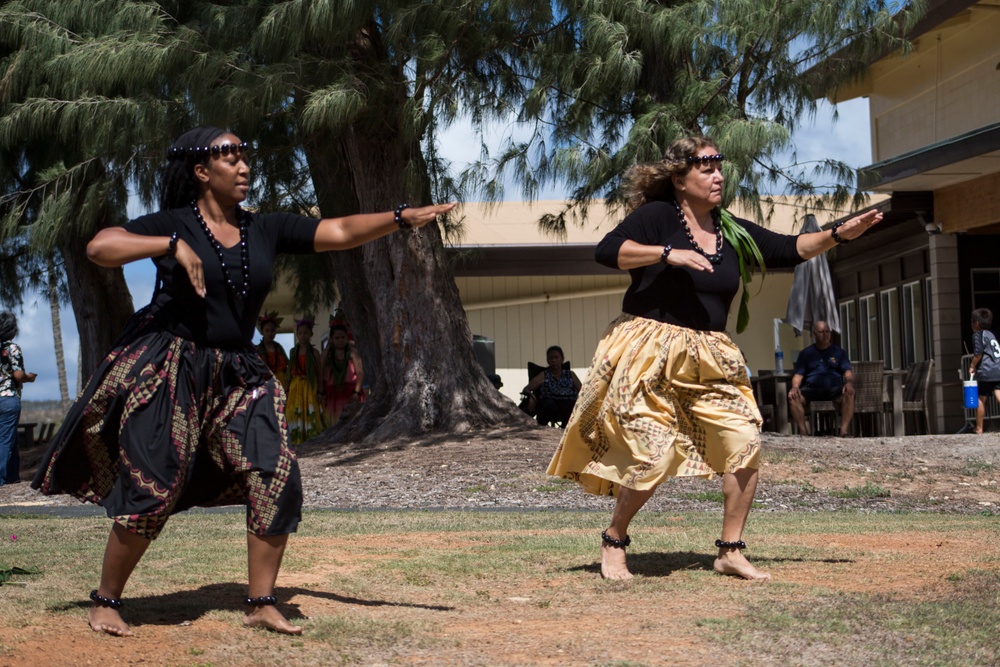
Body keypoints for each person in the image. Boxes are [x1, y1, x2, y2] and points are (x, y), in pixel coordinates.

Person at [30, 125, 455, 637]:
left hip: (240, 372)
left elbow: (338, 231)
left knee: (275, 472)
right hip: (174, 369)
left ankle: (260, 601)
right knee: (155, 483)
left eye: (245, 156)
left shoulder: (264, 228)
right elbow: (100, 247)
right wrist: (169, 245)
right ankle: (106, 599)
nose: (245, 166)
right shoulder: (174, 223)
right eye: (230, 157)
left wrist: (399, 218)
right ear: (201, 171)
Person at [546, 136, 882, 581]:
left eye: (719, 166)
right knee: (651, 450)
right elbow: (608, 251)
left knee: (744, 440)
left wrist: (839, 233)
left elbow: (789, 248)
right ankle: (614, 540)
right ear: (680, 180)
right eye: (706, 168)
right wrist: (668, 253)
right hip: (650, 350)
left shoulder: (730, 229)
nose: (718, 175)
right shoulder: (658, 217)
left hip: (710, 354)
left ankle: (730, 550)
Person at [787, 321, 855, 437]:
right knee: (793, 397)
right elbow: (798, 375)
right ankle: (804, 431)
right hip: (812, 390)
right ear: (814, 334)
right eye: (821, 332)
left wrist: (848, 383)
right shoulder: (806, 353)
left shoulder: (839, 352)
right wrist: (795, 387)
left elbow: (847, 371)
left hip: (834, 389)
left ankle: (843, 431)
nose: (825, 334)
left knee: (849, 393)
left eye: (828, 331)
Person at [0, 312, 37, 486]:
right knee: (6, 441)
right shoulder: (12, 348)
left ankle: (12, 477)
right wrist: (28, 377)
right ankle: (1, 479)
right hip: (8, 399)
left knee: (11, 438)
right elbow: (17, 374)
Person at [286, 317, 325, 444]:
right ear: (297, 334)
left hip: (309, 385)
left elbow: (319, 373)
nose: (303, 336)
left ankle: (311, 437)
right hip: (296, 386)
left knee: (309, 410)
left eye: (306, 333)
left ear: (311, 334)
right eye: (300, 333)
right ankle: (296, 437)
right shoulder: (293, 352)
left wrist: (320, 391)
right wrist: (286, 390)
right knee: (296, 410)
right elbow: (289, 374)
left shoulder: (314, 353)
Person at [521, 345, 581, 427]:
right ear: (547, 361)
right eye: (551, 358)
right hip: (550, 405)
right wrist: (532, 396)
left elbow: (582, 391)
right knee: (548, 405)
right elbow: (526, 389)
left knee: (570, 406)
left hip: (568, 404)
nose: (554, 360)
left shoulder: (570, 374)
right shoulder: (543, 375)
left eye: (556, 357)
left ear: (562, 359)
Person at [321, 320, 365, 424]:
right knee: (333, 422)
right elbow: (321, 371)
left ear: (347, 337)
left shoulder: (352, 353)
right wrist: (321, 391)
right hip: (332, 394)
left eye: (343, 337)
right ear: (331, 339)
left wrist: (356, 392)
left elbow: (360, 373)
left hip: (350, 393)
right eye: (337, 338)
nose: (340, 340)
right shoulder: (327, 355)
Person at [968, 308, 1000, 434]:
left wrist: (972, 366)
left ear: (976, 323)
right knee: (999, 395)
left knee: (980, 398)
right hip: (998, 368)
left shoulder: (978, 335)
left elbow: (978, 354)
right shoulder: (991, 334)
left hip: (986, 371)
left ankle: (979, 428)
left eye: (971, 321)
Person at [255, 311, 289, 391]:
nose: (270, 333)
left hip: (280, 381)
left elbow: (288, 365)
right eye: (267, 331)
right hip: (265, 381)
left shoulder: (278, 347)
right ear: (262, 332)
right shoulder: (258, 349)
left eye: (272, 331)